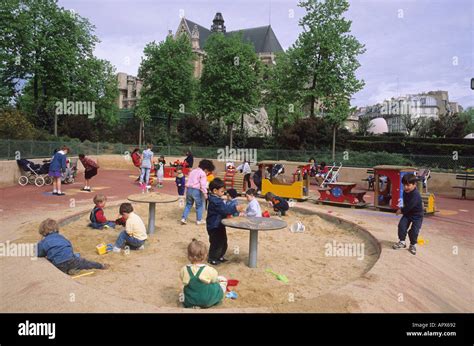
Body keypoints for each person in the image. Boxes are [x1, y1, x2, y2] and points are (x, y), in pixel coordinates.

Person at [37, 218, 108, 274]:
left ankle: (67, 271)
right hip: (71, 260)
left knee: (52, 260)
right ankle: (100, 266)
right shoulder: (62, 237)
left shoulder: (44, 242)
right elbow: (68, 245)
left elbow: (39, 252)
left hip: (58, 264)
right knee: (85, 263)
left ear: (43, 232)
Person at [206, 178, 245, 265]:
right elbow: (225, 210)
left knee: (223, 241)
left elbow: (224, 210)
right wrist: (235, 208)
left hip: (219, 224)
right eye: (222, 191)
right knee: (216, 243)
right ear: (215, 191)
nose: (223, 193)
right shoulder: (215, 201)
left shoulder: (217, 199)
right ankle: (212, 258)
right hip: (214, 226)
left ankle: (220, 256)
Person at [180, 239, 228, 308]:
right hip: (206, 300)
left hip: (189, 301)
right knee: (222, 281)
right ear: (205, 256)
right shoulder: (208, 269)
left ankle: (195, 305)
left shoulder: (184, 269)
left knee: (185, 288)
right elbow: (214, 280)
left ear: (188, 256)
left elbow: (183, 279)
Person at [392, 174, 424, 255]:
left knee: (414, 231)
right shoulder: (406, 192)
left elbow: (410, 206)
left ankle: (413, 244)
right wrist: (402, 208)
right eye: (404, 185)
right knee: (402, 226)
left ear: (414, 185)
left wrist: (401, 210)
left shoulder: (416, 195)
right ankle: (402, 242)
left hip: (417, 215)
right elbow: (406, 203)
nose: (406, 187)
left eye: (408, 185)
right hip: (408, 213)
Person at [181, 159, 215, 225]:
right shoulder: (202, 173)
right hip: (196, 191)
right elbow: (203, 184)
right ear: (206, 169)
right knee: (199, 206)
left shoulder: (192, 171)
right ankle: (199, 220)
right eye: (207, 171)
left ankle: (183, 218)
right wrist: (205, 193)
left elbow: (189, 181)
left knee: (188, 205)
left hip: (189, 189)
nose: (207, 173)